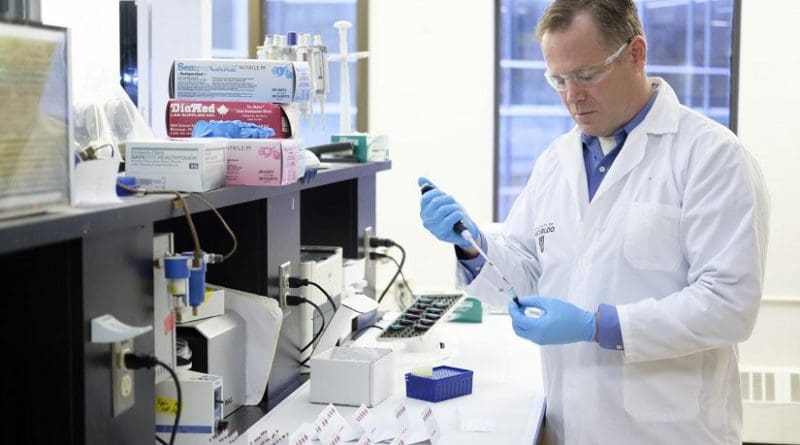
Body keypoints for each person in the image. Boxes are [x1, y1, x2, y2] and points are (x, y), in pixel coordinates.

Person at [417, 1, 770, 444]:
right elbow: (524, 279)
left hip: (671, 432)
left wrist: (598, 326)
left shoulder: (712, 157)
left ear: (636, 54)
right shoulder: (555, 163)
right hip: (574, 426)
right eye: (558, 80)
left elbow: (728, 307)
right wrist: (472, 246)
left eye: (586, 75)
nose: (572, 96)